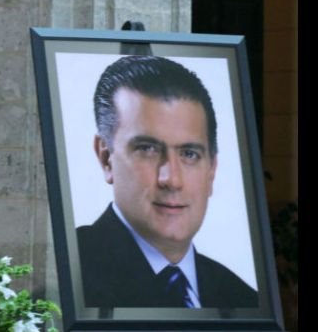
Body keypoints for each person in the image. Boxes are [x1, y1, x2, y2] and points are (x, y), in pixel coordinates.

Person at [76, 55, 258, 309]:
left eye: (189, 154)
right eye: (148, 149)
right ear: (106, 159)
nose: (171, 179)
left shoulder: (243, 299)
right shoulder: (66, 275)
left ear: (212, 171)